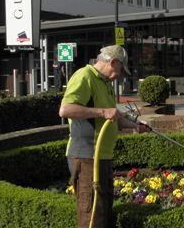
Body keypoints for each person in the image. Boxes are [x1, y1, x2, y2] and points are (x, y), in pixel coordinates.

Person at [59, 45, 148, 228]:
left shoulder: (104, 83)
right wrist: (102, 111)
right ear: (113, 62)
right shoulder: (84, 76)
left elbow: (113, 117)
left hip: (102, 158)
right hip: (87, 157)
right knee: (92, 216)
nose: (121, 75)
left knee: (104, 212)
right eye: (121, 70)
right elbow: (65, 109)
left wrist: (136, 126)